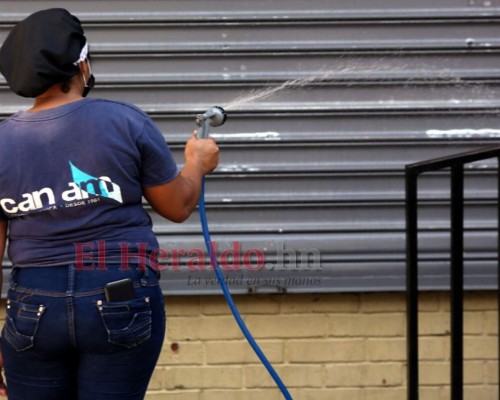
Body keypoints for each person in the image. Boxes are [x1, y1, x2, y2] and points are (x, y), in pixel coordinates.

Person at [0, 8, 219, 400]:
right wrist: (197, 164)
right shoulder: (124, 121)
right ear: (81, 63)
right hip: (119, 294)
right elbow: (178, 206)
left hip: (33, 308)